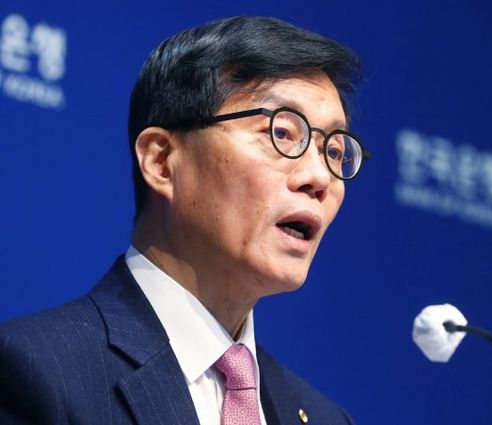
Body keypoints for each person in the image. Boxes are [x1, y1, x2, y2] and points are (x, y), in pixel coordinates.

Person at [0, 16, 366, 425]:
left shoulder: (326, 417)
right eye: (282, 133)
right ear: (161, 161)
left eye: (334, 151)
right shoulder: (36, 373)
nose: (319, 177)